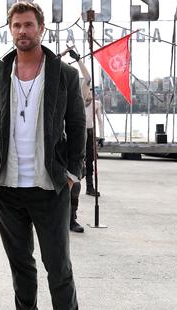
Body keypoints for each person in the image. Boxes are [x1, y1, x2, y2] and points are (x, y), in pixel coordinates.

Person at [0, 3, 92, 310]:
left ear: (41, 28)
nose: (22, 31)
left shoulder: (64, 74)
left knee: (58, 264)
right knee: (20, 264)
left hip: (49, 185)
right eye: (16, 26)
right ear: (10, 29)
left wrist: (73, 173)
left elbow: (78, 128)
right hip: (7, 187)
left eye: (29, 25)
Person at [66, 49, 105, 232]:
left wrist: (79, 59)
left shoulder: (79, 98)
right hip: (56, 143)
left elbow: (87, 78)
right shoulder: (51, 93)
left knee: (76, 182)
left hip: (76, 143)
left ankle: (71, 218)